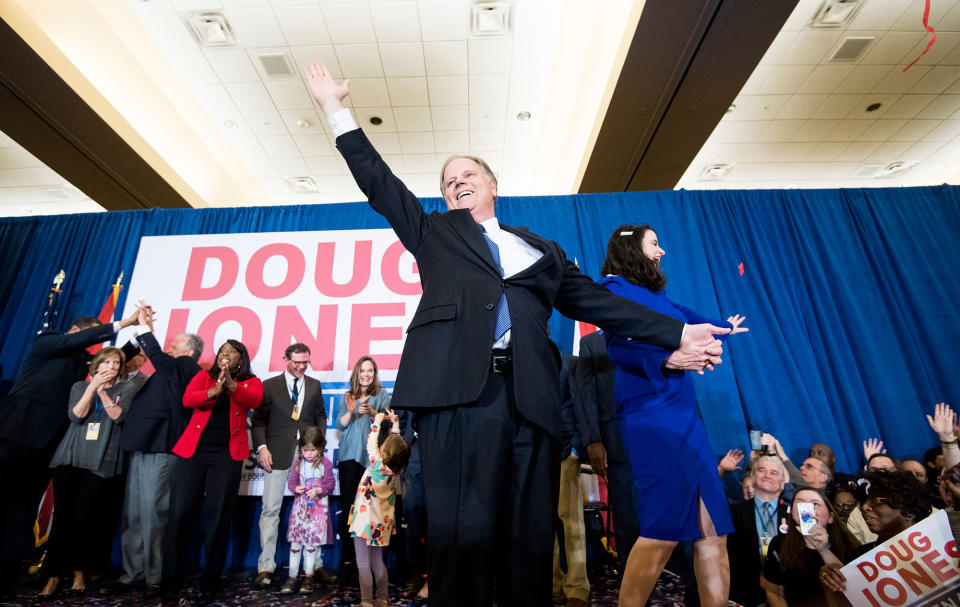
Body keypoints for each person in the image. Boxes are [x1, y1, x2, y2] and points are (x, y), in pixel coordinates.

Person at [305, 60, 727, 607]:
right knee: (463, 532)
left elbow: (600, 303)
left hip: (530, 399)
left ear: (493, 186)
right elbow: (378, 182)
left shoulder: (543, 251)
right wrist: (335, 110)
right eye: (448, 180)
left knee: (530, 535)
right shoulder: (433, 233)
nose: (457, 182)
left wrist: (676, 332)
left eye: (468, 175)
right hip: (459, 397)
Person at [596, 224, 747, 607]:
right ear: (632, 249)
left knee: (712, 532)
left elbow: (695, 324)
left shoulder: (657, 295)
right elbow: (616, 347)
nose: (661, 252)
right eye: (654, 244)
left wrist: (723, 331)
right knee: (662, 533)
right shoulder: (614, 290)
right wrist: (667, 357)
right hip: (652, 417)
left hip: (685, 416)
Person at [0, 308, 140, 599]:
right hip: (14, 438)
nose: (88, 347)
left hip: (45, 450)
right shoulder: (47, 342)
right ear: (75, 334)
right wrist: (124, 323)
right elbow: (82, 345)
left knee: (20, 515)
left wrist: (139, 337)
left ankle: (4, 580)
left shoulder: (80, 363)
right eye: (86, 339)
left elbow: (109, 363)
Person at [160, 340, 263, 606]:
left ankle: (210, 583)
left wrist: (230, 385)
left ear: (241, 359)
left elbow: (254, 400)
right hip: (193, 452)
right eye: (221, 351)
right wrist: (213, 391)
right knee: (181, 514)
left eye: (231, 352)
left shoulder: (251, 381)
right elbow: (187, 398)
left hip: (226, 456)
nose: (224, 355)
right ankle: (171, 583)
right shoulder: (202, 375)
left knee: (217, 518)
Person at [118, 306, 203, 594]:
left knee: (154, 514)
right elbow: (118, 362)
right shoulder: (167, 367)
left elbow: (162, 361)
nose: (168, 348)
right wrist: (137, 333)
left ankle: (157, 576)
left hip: (163, 447)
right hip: (143, 444)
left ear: (190, 352)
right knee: (134, 514)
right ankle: (133, 574)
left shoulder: (186, 367)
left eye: (175, 345)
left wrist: (146, 330)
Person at [40, 346, 137, 597]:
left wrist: (104, 394)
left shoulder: (126, 388)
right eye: (108, 363)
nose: (112, 367)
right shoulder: (78, 387)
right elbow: (76, 416)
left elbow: (118, 417)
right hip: (70, 459)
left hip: (99, 462)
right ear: (97, 365)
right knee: (62, 519)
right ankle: (51, 576)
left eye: (117, 364)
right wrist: (93, 387)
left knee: (84, 519)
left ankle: (79, 572)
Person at [251, 343, 327, 588]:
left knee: (312, 511)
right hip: (276, 454)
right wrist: (262, 448)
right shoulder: (269, 386)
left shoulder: (314, 385)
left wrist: (318, 446)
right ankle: (266, 568)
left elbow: (320, 416)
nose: (301, 366)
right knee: (270, 511)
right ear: (285, 359)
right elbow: (259, 421)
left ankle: (315, 566)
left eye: (305, 362)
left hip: (307, 456)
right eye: (296, 362)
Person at [572, 330, 640, 581]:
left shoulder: (649, 334)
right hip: (618, 445)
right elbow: (584, 395)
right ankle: (632, 584)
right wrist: (592, 439)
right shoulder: (592, 343)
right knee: (628, 521)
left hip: (656, 442)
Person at [818, 471, 932, 605]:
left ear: (909, 512)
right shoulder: (856, 561)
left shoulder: (945, 547)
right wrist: (833, 586)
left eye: (877, 501)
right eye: (864, 502)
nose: (865, 507)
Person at [336, 356, 390, 583]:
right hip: (349, 457)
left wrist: (370, 413)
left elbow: (388, 422)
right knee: (348, 511)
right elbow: (341, 424)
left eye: (370, 370)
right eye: (363, 370)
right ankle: (348, 563)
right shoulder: (348, 395)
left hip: (371, 461)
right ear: (357, 373)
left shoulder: (382, 394)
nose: (366, 374)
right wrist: (351, 411)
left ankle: (367, 566)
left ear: (374, 373)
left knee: (369, 514)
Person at [348, 409, 410, 607]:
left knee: (363, 563)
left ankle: (366, 602)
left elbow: (371, 443)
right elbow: (397, 449)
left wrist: (376, 421)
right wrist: (396, 426)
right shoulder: (396, 469)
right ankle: (382, 598)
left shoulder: (377, 464)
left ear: (385, 451)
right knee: (377, 562)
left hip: (364, 522)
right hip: (381, 524)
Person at [760, 488, 859, 607]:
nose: (807, 509)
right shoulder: (779, 544)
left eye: (815, 503)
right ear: (792, 513)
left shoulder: (849, 546)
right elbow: (773, 591)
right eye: (800, 503)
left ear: (830, 517)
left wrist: (823, 549)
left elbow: (852, 591)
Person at [727, 455, 790, 607]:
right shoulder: (732, 512)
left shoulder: (793, 515)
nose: (767, 475)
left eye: (774, 472)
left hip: (788, 594)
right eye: (762, 470)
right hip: (745, 595)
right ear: (753, 479)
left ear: (782, 484)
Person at [280, 426, 335, 595]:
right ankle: (291, 577)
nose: (309, 454)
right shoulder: (298, 463)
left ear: (320, 448)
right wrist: (296, 488)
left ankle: (309, 577)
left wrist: (319, 490)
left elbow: (330, 484)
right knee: (296, 544)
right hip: (300, 510)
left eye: (313, 450)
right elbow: (291, 483)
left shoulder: (325, 463)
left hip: (317, 511)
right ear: (301, 449)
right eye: (306, 450)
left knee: (311, 545)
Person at [554, 353, 589, 607]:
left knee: (572, 523)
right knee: (541, 525)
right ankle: (553, 584)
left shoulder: (568, 363)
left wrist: (578, 447)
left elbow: (581, 405)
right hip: (534, 455)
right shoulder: (521, 365)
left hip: (566, 452)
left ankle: (577, 587)